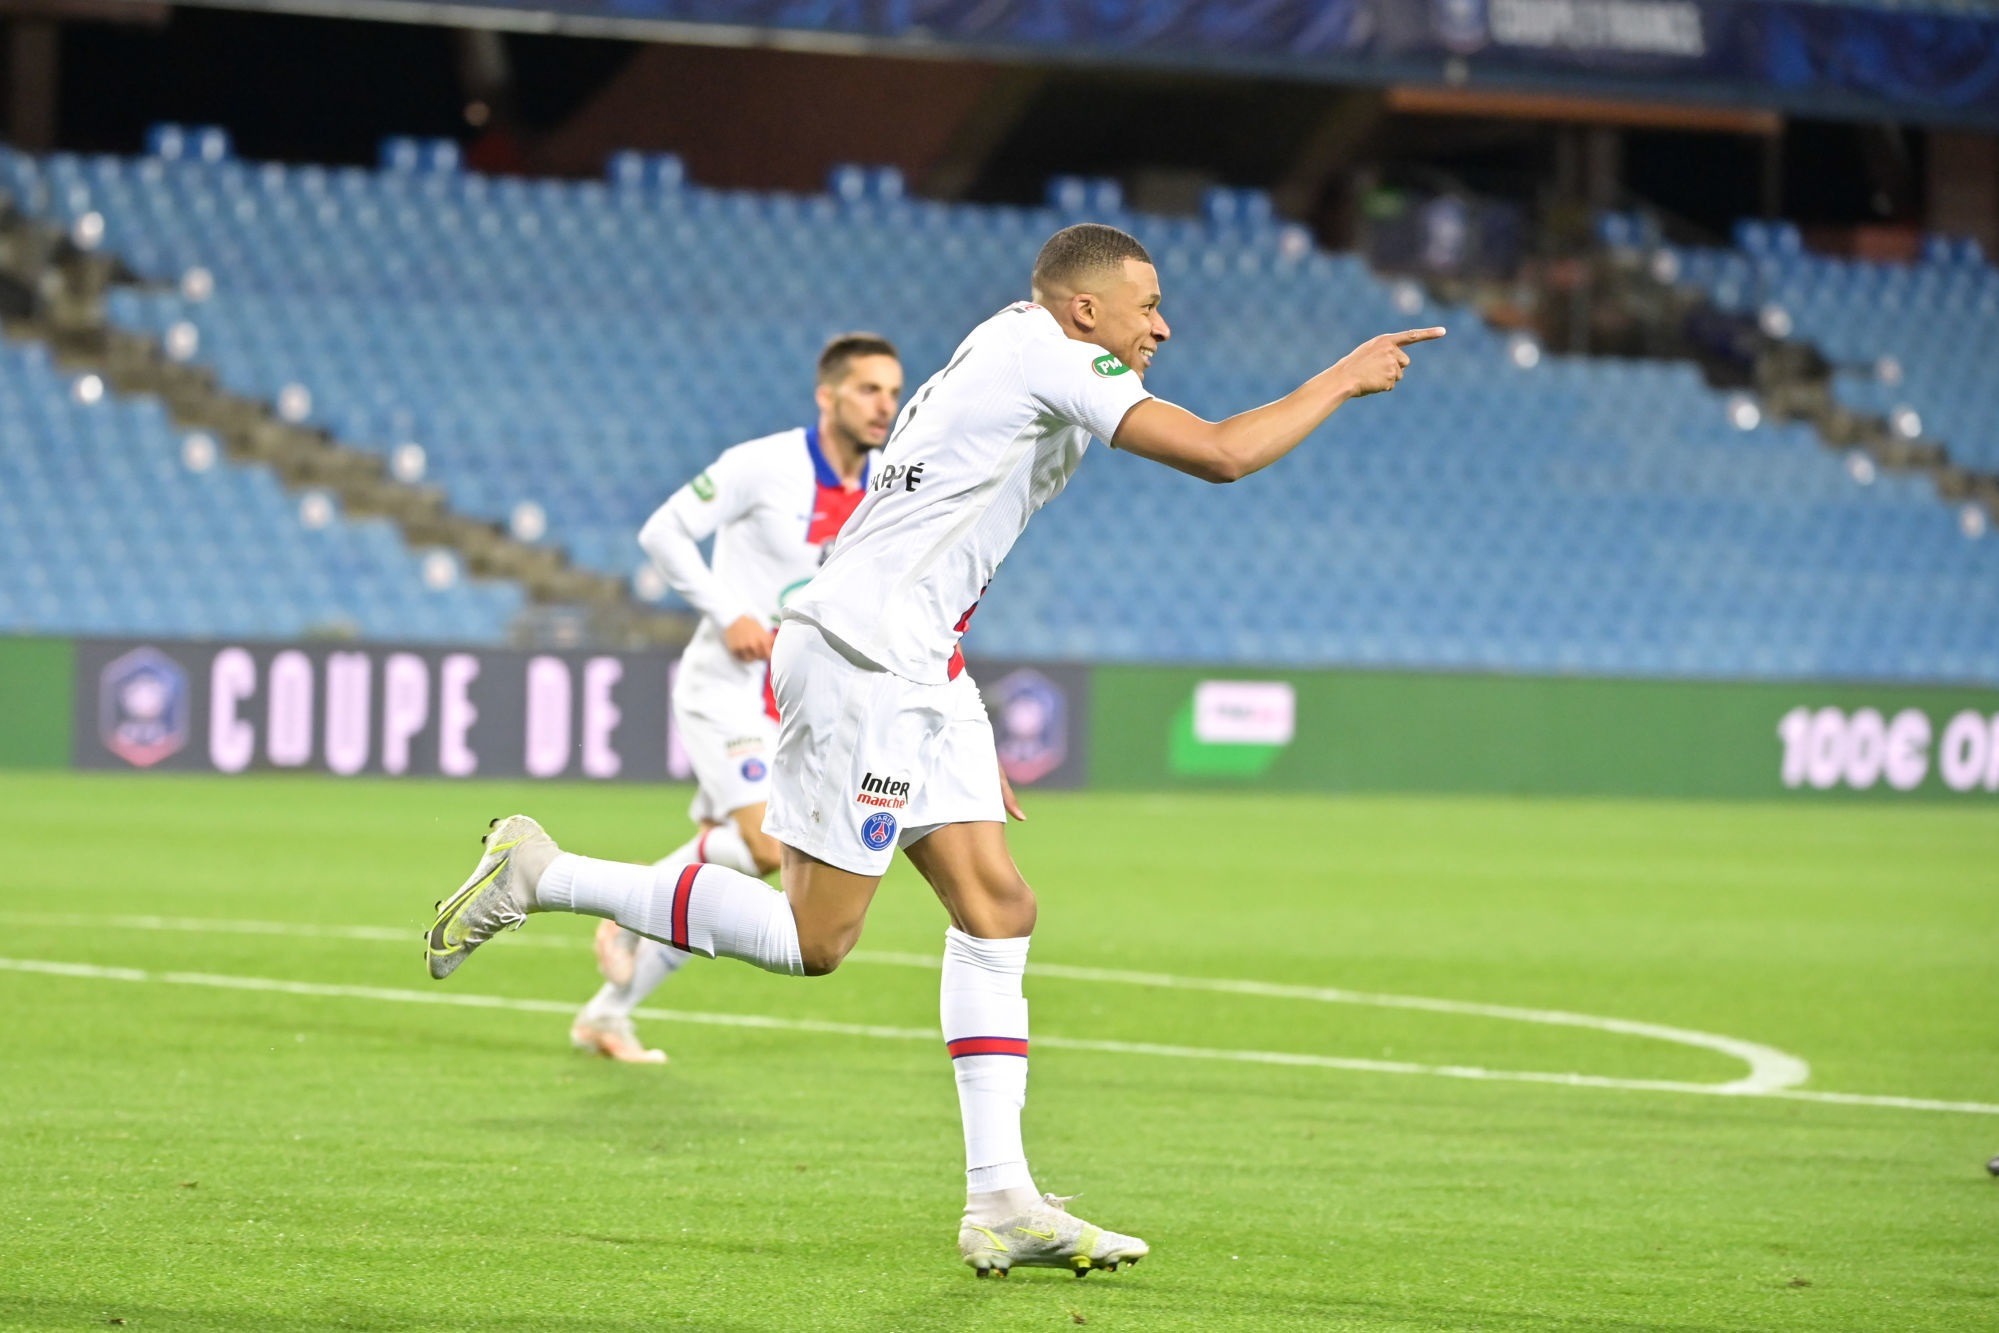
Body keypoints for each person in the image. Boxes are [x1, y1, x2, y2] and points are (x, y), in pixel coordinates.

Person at [426, 223, 1442, 1276]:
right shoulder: (1055, 354)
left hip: (918, 665)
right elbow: (1221, 454)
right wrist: (1342, 377)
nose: (1163, 326)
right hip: (866, 658)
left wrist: (951, 718)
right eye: (1147, 306)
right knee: (816, 939)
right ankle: (542, 873)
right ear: (1085, 308)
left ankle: (1002, 1200)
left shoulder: (1004, 340)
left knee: (998, 905)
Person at [570, 333, 904, 1063]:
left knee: (732, 868)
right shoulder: (765, 464)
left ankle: (606, 1013)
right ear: (827, 396)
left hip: (800, 704)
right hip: (726, 688)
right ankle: (623, 912)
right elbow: (663, 531)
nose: (885, 405)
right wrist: (729, 612)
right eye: (868, 389)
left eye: (892, 391)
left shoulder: (887, 483)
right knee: (767, 846)